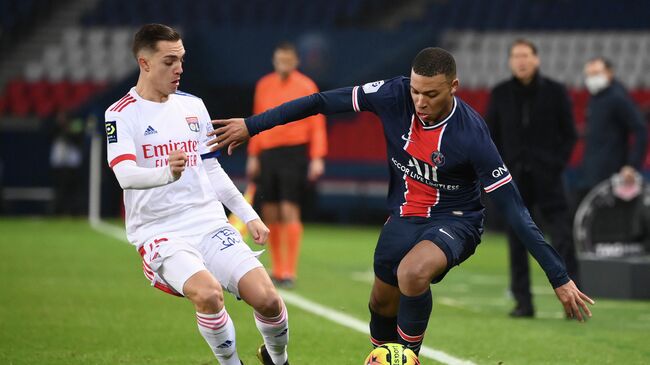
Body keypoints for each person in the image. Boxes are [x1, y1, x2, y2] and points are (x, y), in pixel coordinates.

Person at [208, 47, 594, 355]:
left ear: (454, 86)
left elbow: (515, 210)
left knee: (412, 274)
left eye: (431, 93)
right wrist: (252, 125)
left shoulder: (472, 135)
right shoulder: (392, 94)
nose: (420, 101)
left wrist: (558, 277)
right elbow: (322, 102)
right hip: (404, 215)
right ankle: (385, 354)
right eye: (415, 90)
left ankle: (407, 357)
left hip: (457, 218)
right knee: (380, 302)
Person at [105, 24, 289, 365]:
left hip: (208, 222)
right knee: (208, 294)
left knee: (268, 300)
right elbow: (124, 175)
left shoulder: (193, 106)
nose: (179, 69)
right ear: (144, 63)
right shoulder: (120, 113)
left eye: (182, 60)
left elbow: (211, 170)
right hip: (160, 231)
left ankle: (278, 360)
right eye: (169, 61)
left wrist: (249, 215)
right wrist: (167, 173)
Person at [485, 39, 579, 318]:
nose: (521, 61)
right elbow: (490, 136)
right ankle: (523, 303)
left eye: (525, 55)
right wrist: (500, 168)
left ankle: (572, 302)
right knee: (517, 242)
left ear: (536, 59)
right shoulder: (500, 93)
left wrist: (555, 165)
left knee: (562, 238)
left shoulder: (555, 92)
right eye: (515, 56)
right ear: (510, 61)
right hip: (513, 180)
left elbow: (570, 135)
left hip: (549, 178)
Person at [247, 42, 327, 288]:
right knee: (269, 210)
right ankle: (278, 268)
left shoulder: (306, 86)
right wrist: (253, 154)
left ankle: (289, 271)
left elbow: (316, 124)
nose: (283, 64)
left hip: (294, 153)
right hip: (268, 153)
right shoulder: (263, 85)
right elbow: (257, 120)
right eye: (279, 60)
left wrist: (317, 157)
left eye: (287, 60)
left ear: (295, 62)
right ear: (274, 60)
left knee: (288, 208)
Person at [578, 57, 647, 201]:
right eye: (589, 74)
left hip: (612, 174)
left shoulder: (617, 98)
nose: (591, 78)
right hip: (594, 172)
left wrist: (632, 165)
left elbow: (640, 130)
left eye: (596, 73)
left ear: (609, 73)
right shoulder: (595, 98)